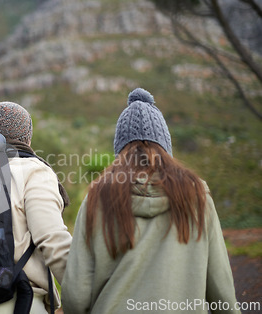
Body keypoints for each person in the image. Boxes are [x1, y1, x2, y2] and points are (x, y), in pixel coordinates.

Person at [61, 88, 240, 314]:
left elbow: (75, 298)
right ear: (166, 148)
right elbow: (222, 293)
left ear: (120, 150)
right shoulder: (197, 196)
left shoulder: (96, 198)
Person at [0, 101, 72, 314]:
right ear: (28, 138)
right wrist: (85, 291)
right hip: (14, 301)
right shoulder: (32, 170)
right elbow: (51, 238)